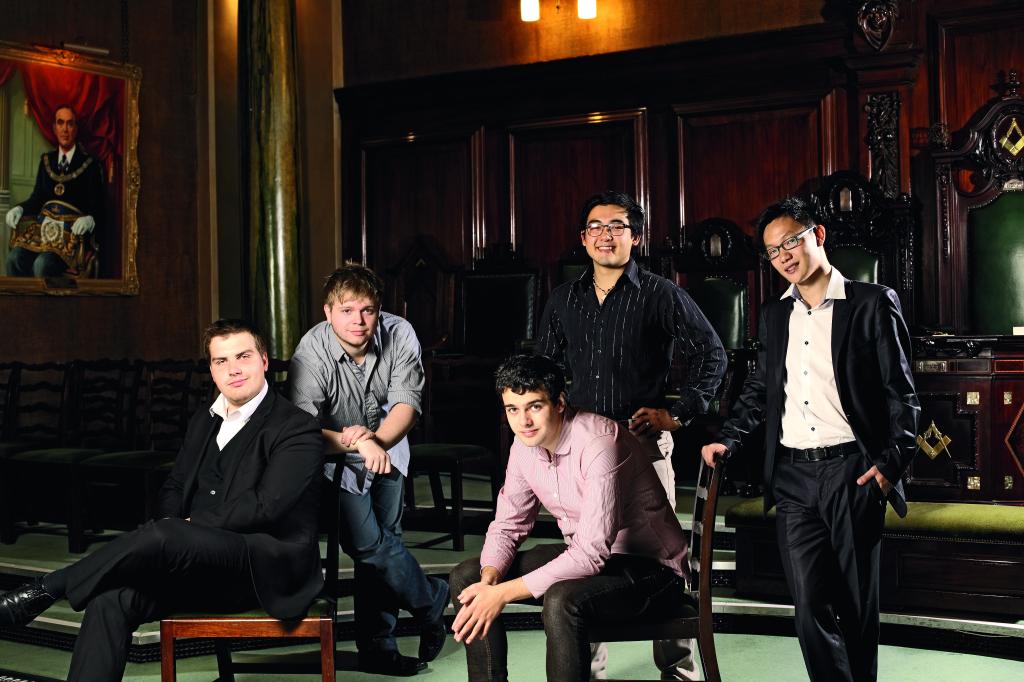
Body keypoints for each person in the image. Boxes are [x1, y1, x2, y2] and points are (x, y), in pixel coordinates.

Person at [0, 319, 325, 682]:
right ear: (212, 370)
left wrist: (183, 529)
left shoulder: (295, 426)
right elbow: (174, 486)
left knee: (166, 533)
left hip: (259, 569)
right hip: (192, 563)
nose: (233, 369)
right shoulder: (204, 419)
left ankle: (45, 589)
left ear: (264, 361)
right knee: (110, 600)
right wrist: (175, 531)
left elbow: (267, 506)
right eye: (221, 361)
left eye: (243, 356)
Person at [701, 196, 920, 682]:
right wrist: (729, 439)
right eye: (773, 251)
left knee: (856, 607)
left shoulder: (871, 302)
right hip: (794, 477)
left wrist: (890, 464)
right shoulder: (775, 314)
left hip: (853, 472)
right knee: (808, 607)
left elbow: (901, 393)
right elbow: (760, 389)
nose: (783, 257)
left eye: (790, 243)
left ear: (817, 235)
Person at [536, 189, 726, 679]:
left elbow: (712, 354)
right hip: (581, 449)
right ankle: (587, 671)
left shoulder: (661, 294)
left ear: (635, 237)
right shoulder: (563, 299)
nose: (606, 235)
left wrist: (677, 414)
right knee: (584, 558)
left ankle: (679, 671)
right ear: (583, 239)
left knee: (662, 558)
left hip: (641, 444)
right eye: (596, 227)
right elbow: (543, 370)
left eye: (617, 226)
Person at [449, 354, 691, 682]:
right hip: (596, 562)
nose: (523, 421)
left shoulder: (600, 442)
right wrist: (490, 580)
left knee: (562, 599)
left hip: (653, 572)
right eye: (512, 410)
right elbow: (508, 525)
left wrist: (502, 594)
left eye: (534, 406)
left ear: (560, 403)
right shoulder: (523, 446)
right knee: (469, 576)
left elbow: (590, 554)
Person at [290, 263, 448, 677]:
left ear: (379, 309)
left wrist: (375, 441)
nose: (358, 321)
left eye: (368, 310)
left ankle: (379, 648)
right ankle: (430, 600)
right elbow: (303, 429)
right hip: (336, 456)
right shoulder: (311, 351)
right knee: (366, 545)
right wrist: (356, 442)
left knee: (385, 542)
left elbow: (407, 405)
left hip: (390, 447)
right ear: (328, 311)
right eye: (347, 310)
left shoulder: (400, 333)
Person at [4, 105, 105, 277]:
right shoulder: (47, 161)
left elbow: (99, 207)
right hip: (43, 236)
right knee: (13, 259)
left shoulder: (90, 165)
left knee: (42, 265)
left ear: (76, 129)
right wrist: (19, 208)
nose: (65, 129)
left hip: (71, 241)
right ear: (54, 128)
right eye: (60, 123)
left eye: (70, 123)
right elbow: (37, 199)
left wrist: (90, 219)